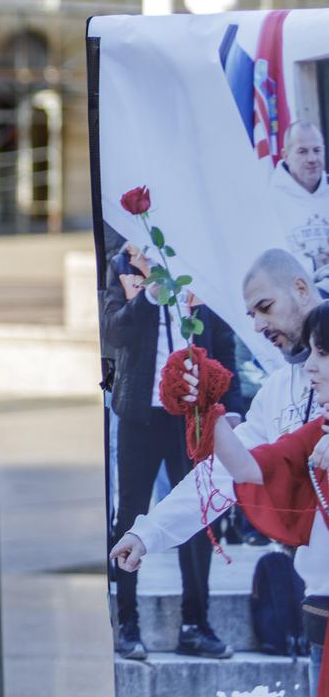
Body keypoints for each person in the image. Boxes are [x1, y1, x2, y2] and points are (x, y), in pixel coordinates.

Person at [111, 249, 327, 673]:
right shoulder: (277, 390)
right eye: (250, 315)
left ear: (301, 288)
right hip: (319, 602)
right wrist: (149, 531)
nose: (259, 325)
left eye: (265, 307)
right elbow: (229, 471)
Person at [101, 241, 237, 660]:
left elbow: (223, 337)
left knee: (200, 510)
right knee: (131, 513)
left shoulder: (199, 259)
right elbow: (112, 332)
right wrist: (148, 299)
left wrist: (231, 410)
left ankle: (196, 624)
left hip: (192, 416)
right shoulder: (123, 264)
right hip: (140, 413)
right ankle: (127, 624)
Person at [191, 301, 329, 696]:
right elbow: (252, 469)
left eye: (322, 353)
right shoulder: (317, 429)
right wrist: (205, 409)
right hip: (320, 616)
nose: (310, 367)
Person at [271, 122, 329, 274]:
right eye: (302, 151)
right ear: (286, 156)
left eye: (317, 150)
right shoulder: (269, 201)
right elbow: (269, 266)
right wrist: (314, 264)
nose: (312, 158)